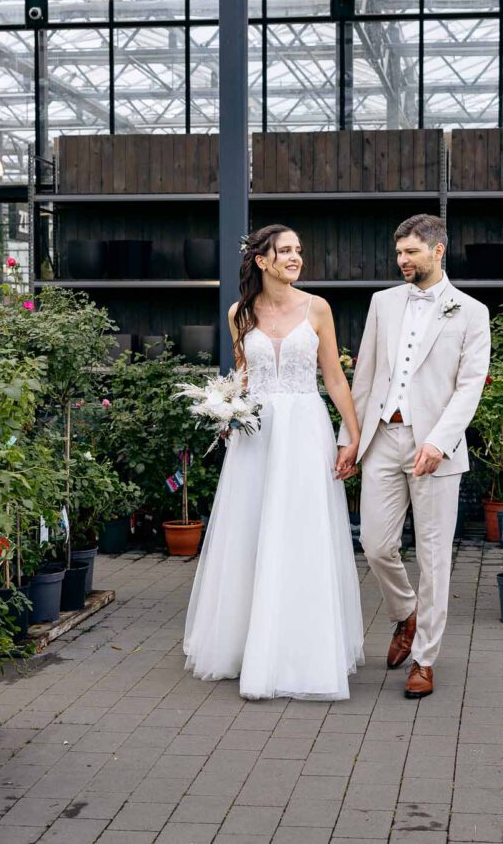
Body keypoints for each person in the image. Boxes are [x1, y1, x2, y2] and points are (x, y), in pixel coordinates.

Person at [182, 224, 365, 701]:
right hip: (257, 435)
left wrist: (353, 436)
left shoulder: (318, 308)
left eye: (299, 250)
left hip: (305, 430)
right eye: (285, 251)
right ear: (261, 260)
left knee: (303, 532)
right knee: (251, 530)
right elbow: (243, 376)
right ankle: (248, 644)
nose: (295, 257)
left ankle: (304, 648)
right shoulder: (239, 313)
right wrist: (225, 411)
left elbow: (335, 379)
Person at [338, 214, 491, 699]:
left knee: (433, 556)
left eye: (411, 252)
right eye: (399, 253)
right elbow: (365, 376)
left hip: (436, 448)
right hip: (383, 437)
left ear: (438, 250)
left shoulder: (471, 312)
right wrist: (349, 437)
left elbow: (469, 388)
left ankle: (425, 659)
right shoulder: (382, 303)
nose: (402, 260)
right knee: (376, 545)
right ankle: (406, 613)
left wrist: (439, 441)